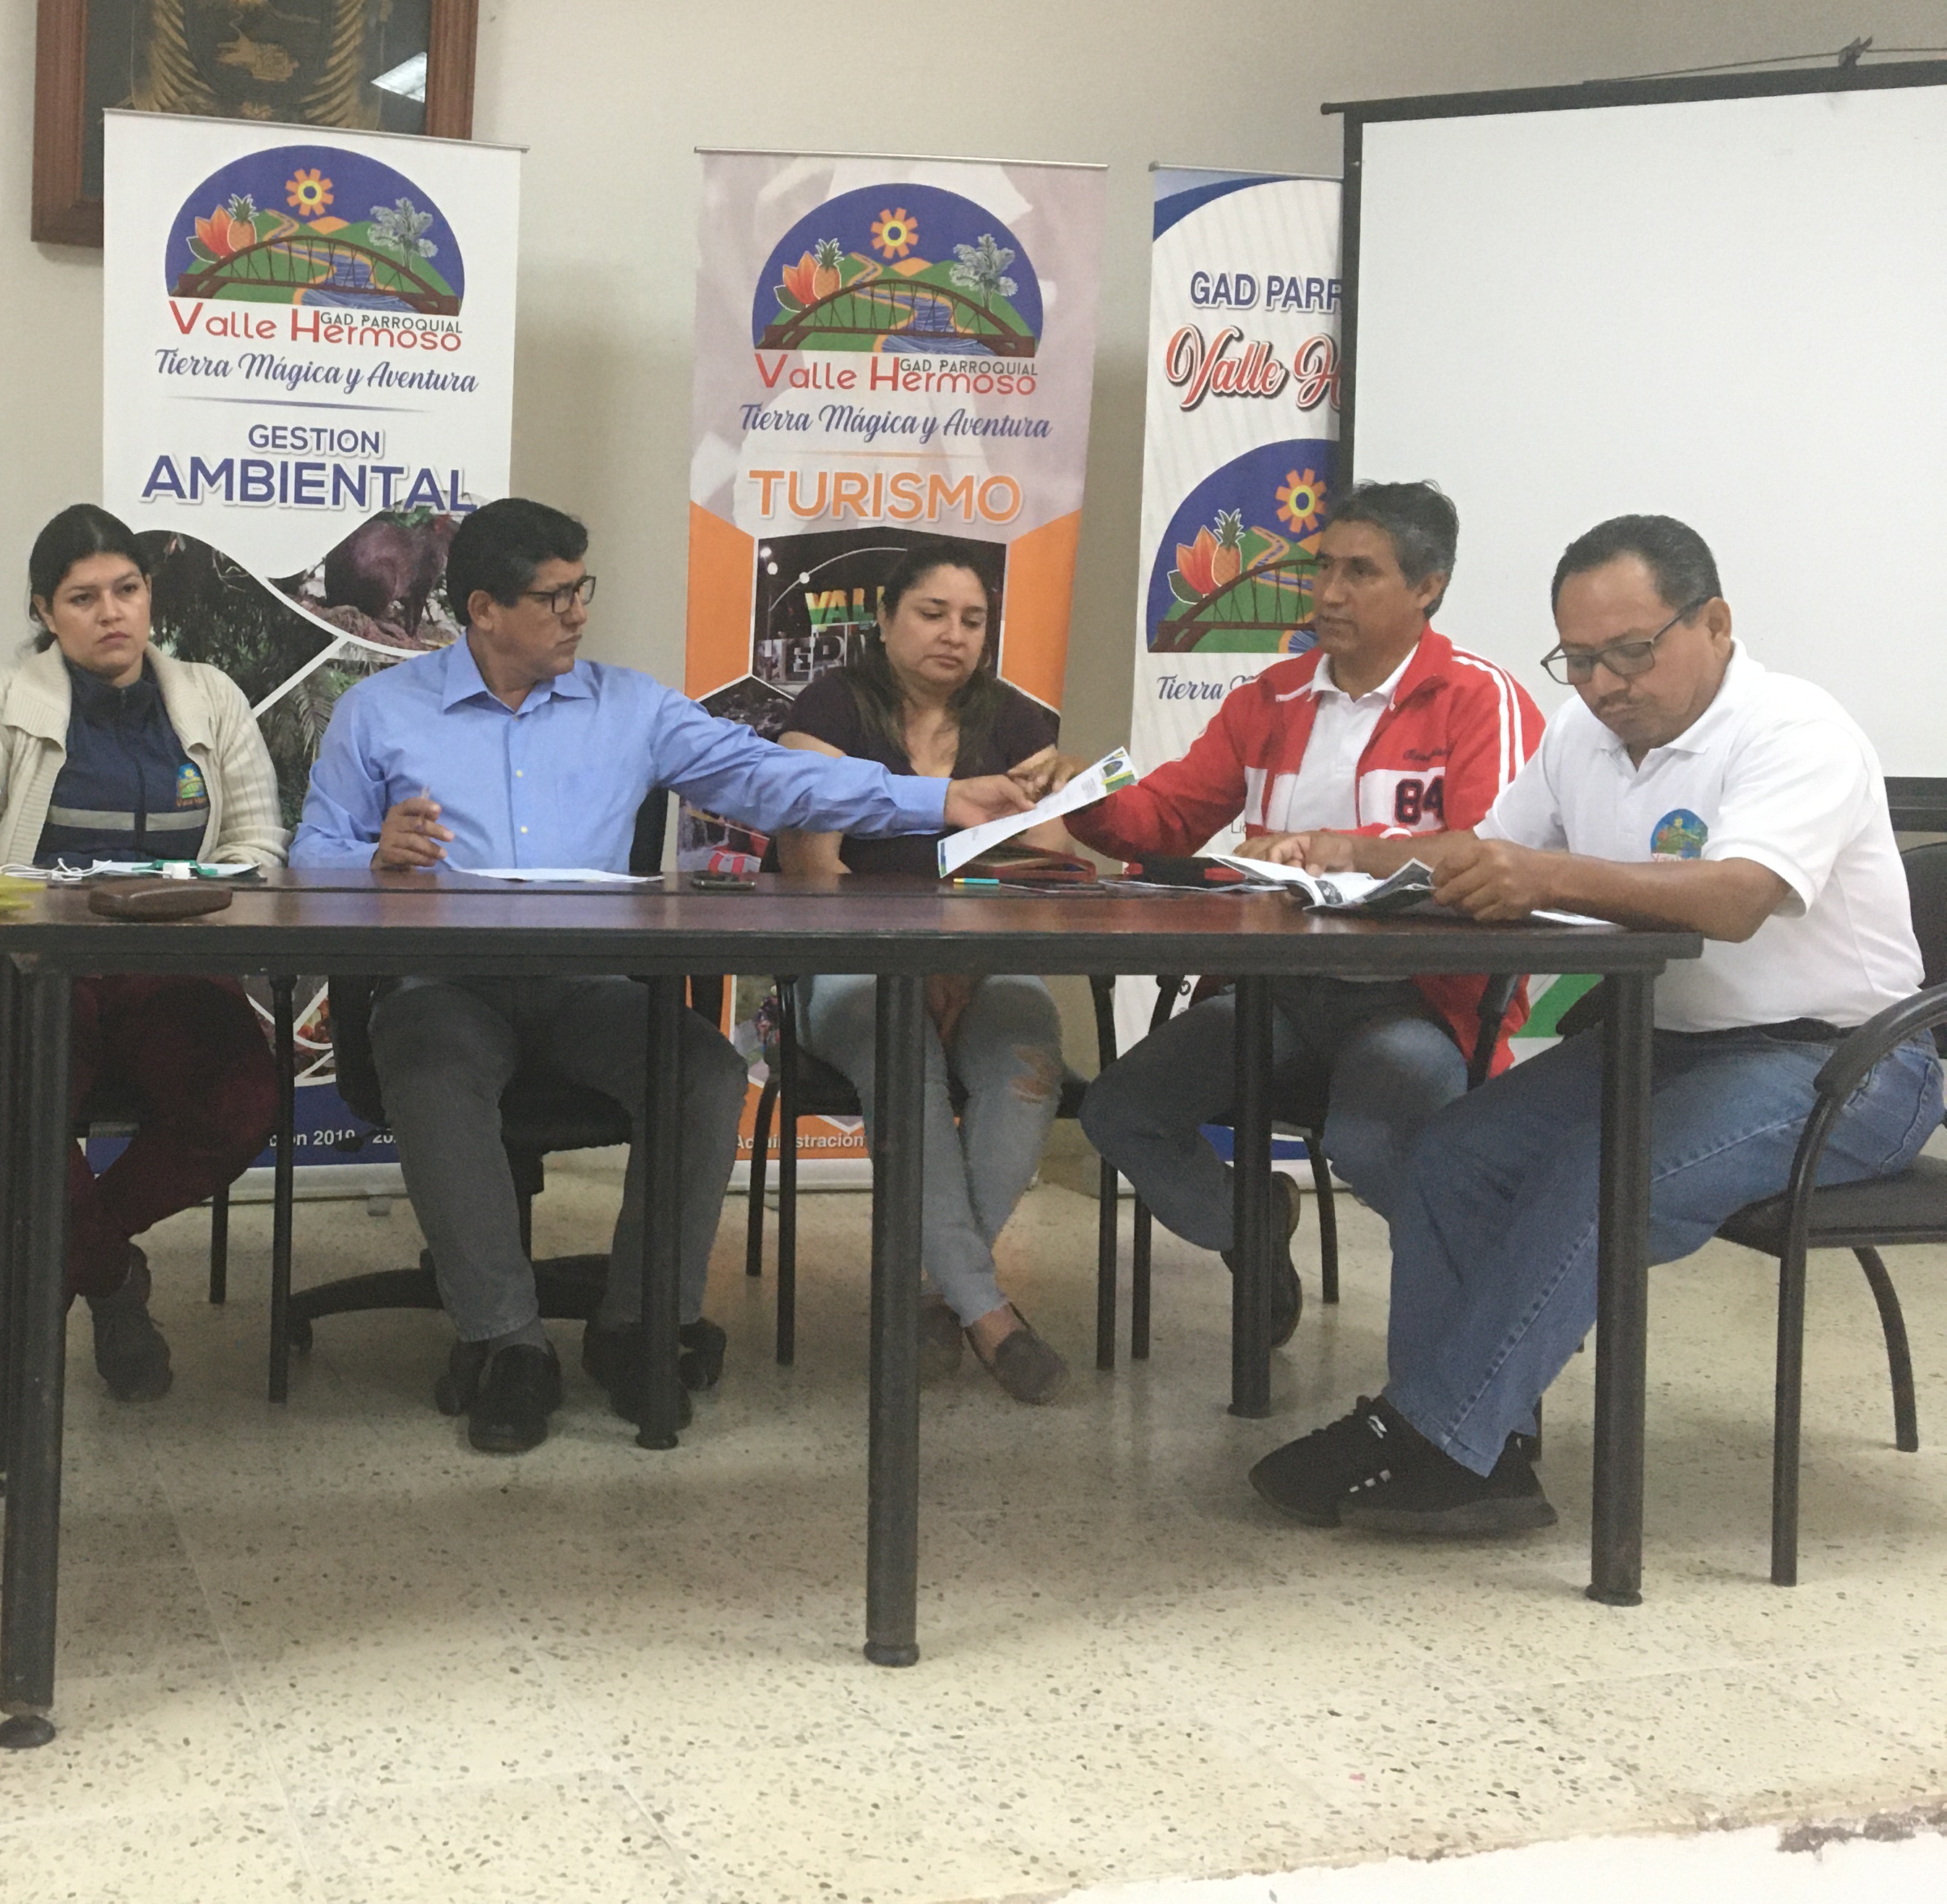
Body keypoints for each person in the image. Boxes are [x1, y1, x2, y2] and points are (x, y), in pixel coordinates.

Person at [290, 496, 1037, 1454]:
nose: (578, 614)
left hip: (588, 990)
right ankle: (507, 1343)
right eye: (555, 597)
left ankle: (641, 1324)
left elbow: (773, 778)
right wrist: (372, 858)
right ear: (483, 610)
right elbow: (308, 862)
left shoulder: (632, 707)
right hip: (446, 988)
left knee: (704, 1073)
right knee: (431, 1065)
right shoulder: (379, 712)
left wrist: (938, 799)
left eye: (582, 590)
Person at [1247, 514, 1943, 1535]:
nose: (1605, 684)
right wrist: (1349, 852)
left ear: (1715, 623)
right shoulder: (1583, 734)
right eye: (1578, 660)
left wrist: (1547, 876)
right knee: (1454, 1151)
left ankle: (1432, 1435)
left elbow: (1735, 898)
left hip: (1848, 1065)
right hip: (1669, 1045)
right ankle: (1486, 1455)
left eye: (1631, 652)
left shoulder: (1797, 730)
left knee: (1598, 1174)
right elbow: (1487, 850)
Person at [1059, 481, 1544, 1342]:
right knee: (1120, 1110)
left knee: (1370, 1143)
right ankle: (1254, 1224)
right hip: (1273, 991)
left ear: (1428, 586)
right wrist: (1083, 798)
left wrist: (1347, 847)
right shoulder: (1271, 697)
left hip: (1417, 999)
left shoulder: (1479, 697)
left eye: (1361, 572)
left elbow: (1491, 851)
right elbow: (1164, 818)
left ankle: (1492, 1309)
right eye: (1322, 569)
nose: (1329, 593)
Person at [0, 505, 286, 1401]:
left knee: (243, 1100)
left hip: (173, 961)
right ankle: (110, 1277)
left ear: (149, 594)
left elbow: (260, 843)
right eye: (83, 598)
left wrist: (201, 886)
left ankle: (75, 1260)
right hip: (32, 962)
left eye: (126, 590)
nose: (111, 614)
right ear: (44, 611)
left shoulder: (211, 697)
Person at [774, 537, 1074, 1405]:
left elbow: (1052, 871)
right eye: (933, 614)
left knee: (1026, 1055)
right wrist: (912, 958)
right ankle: (991, 1316)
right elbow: (813, 871)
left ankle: (937, 1298)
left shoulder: (1017, 723)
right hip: (855, 963)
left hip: (984, 962)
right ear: (884, 618)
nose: (955, 635)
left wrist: (965, 957)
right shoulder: (830, 708)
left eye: (973, 620)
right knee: (903, 1049)